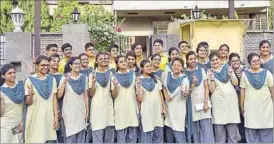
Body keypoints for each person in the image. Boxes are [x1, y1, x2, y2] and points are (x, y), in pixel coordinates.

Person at [24, 55, 58, 143]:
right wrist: (30, 95)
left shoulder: (52, 79)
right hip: (35, 117)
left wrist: (56, 117)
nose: (45, 67)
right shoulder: (30, 80)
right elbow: (28, 102)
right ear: (37, 66)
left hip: (49, 117)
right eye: (43, 65)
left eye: (47, 65)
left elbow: (54, 99)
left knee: (49, 138)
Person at [240, 53, 273, 143]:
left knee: (266, 134)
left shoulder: (267, 73)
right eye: (253, 61)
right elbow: (242, 91)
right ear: (249, 63)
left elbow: (272, 89)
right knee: (251, 133)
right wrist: (242, 106)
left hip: (266, 108)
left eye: (258, 60)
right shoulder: (245, 74)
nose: (256, 62)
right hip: (251, 109)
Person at [208, 52, 240, 143]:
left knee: (232, 136)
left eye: (216, 59)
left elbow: (235, 83)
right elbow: (212, 90)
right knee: (220, 136)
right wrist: (212, 79)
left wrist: (231, 74)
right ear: (210, 62)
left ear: (220, 59)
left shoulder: (227, 68)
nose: (215, 62)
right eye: (212, 60)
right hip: (219, 106)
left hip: (231, 104)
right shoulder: (209, 72)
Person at [57, 57, 89, 143]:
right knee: (70, 137)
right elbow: (59, 95)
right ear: (70, 65)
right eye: (75, 63)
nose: (78, 65)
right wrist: (64, 83)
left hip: (81, 111)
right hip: (69, 113)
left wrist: (87, 111)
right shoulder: (65, 78)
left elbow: (86, 96)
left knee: (81, 137)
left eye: (79, 63)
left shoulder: (84, 78)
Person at [185, 51, 215, 143]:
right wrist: (193, 84)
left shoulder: (201, 70)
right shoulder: (185, 73)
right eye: (190, 59)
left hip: (203, 102)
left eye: (194, 59)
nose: (193, 61)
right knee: (196, 131)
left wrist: (206, 102)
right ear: (187, 61)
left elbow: (206, 88)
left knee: (206, 130)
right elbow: (186, 91)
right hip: (191, 103)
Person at [111, 55, 139, 143]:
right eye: (121, 62)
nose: (123, 63)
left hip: (132, 106)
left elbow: (136, 91)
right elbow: (114, 95)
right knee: (121, 130)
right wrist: (115, 87)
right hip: (120, 107)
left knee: (133, 129)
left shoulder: (133, 74)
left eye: (124, 61)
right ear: (117, 65)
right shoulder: (114, 77)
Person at [138, 59, 166, 143]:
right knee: (147, 132)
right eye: (147, 66)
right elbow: (140, 99)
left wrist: (163, 107)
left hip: (157, 110)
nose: (149, 68)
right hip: (146, 110)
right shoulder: (138, 80)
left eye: (150, 66)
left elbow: (160, 94)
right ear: (142, 68)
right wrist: (139, 86)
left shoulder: (156, 79)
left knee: (158, 133)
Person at [89, 52, 115, 143]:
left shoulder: (111, 74)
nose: (104, 60)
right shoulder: (92, 74)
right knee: (97, 132)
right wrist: (93, 83)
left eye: (106, 58)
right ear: (96, 60)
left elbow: (114, 94)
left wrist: (115, 86)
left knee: (109, 134)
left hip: (108, 107)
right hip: (97, 108)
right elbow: (91, 94)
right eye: (101, 59)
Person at [163, 57, 189, 143]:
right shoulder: (168, 75)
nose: (176, 67)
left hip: (178, 111)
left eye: (178, 65)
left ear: (182, 67)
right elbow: (164, 87)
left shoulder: (184, 79)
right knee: (169, 135)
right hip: (168, 110)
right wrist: (166, 96)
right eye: (174, 65)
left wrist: (184, 93)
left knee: (179, 135)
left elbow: (184, 95)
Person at [0, 64, 24, 143]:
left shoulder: (21, 86)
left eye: (14, 72)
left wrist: (23, 121)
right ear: (3, 76)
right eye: (9, 73)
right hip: (6, 126)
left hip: (19, 125)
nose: (13, 75)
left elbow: (26, 107)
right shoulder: (1, 91)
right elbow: (1, 113)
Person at [229, 52, 246, 143]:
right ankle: (243, 138)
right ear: (230, 62)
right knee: (239, 118)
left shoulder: (245, 69)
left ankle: (248, 138)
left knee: (245, 118)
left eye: (237, 60)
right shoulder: (229, 70)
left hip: (245, 98)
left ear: (240, 60)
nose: (235, 62)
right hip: (234, 99)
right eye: (233, 61)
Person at [48, 54, 66, 143]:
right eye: (53, 61)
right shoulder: (45, 76)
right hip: (47, 107)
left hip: (59, 106)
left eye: (58, 61)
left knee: (59, 132)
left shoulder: (61, 77)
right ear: (49, 62)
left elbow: (59, 96)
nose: (56, 63)